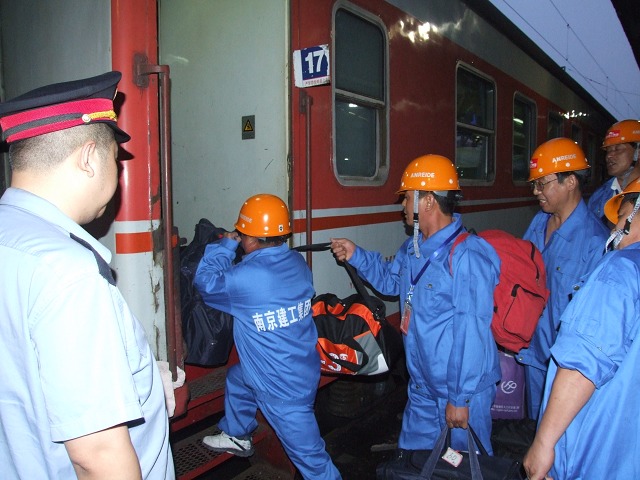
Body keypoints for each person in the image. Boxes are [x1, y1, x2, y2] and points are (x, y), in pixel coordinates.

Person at [0, 72, 174, 478]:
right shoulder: (69, 273)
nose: (117, 172)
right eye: (115, 158)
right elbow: (97, 455)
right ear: (89, 157)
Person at [331, 155, 501, 453]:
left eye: (407, 198)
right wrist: (356, 255)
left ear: (428, 201)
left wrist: (459, 398)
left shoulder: (467, 256)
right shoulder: (413, 249)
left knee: (462, 466)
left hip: (459, 392)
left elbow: (471, 332)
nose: (402, 206)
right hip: (422, 386)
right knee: (413, 458)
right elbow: (389, 281)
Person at [193, 194, 341, 480]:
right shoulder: (297, 262)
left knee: (314, 462)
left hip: (282, 391)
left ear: (250, 239)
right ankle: (237, 434)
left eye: (243, 234)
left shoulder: (245, 277)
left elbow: (205, 282)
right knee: (238, 378)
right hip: (301, 367)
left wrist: (226, 245)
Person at [523, 177, 640, 480]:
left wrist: (544, 442)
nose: (614, 228)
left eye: (621, 216)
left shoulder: (619, 270)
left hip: (597, 450)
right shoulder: (540, 224)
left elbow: (582, 365)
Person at [516, 137, 609, 421]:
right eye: (534, 184)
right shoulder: (539, 222)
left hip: (566, 364)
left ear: (570, 182)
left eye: (542, 184)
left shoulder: (595, 242)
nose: (536, 191)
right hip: (532, 353)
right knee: (535, 426)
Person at [587, 119, 640, 224]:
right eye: (608, 150)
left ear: (638, 153)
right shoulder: (599, 196)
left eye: (618, 149)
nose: (609, 156)